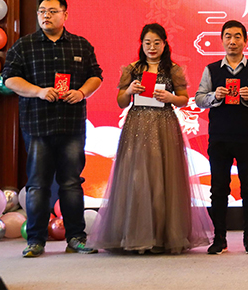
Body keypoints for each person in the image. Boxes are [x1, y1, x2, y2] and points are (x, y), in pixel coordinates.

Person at [88, 23, 212, 254]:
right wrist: (129, 91)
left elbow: (183, 99)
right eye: (147, 43)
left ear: (164, 44)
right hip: (137, 126)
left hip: (164, 125)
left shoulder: (173, 69)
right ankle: (135, 236)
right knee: (136, 179)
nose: (152, 47)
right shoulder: (132, 69)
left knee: (163, 179)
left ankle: (162, 237)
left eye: (156, 43)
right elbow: (121, 102)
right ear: (141, 44)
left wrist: (170, 97)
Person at [3, 0, 103, 258]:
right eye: (42, 11)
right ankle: (35, 240)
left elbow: (96, 76)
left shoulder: (81, 45)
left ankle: (76, 238)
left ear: (65, 14)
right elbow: (9, 78)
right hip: (38, 125)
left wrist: (81, 92)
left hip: (71, 125)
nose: (45, 15)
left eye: (52, 11)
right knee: (38, 185)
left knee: (71, 183)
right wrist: (38, 91)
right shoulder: (24, 46)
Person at [195, 20, 248, 255]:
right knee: (219, 188)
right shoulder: (211, 69)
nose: (232, 41)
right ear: (222, 40)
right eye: (228, 36)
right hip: (219, 137)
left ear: (245, 41)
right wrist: (214, 96)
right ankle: (219, 238)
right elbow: (199, 99)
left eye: (238, 36)